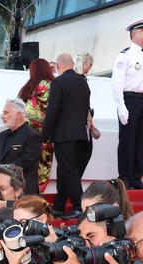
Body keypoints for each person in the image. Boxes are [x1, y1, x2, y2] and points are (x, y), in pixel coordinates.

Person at [112, 19, 143, 190]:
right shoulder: (124, 55)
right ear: (134, 33)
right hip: (130, 100)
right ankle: (124, 177)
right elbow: (117, 84)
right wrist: (121, 106)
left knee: (141, 141)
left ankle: (135, 178)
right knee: (127, 141)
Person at [42, 53, 91, 216]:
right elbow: (86, 109)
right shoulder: (83, 82)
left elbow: (52, 111)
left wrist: (43, 136)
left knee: (68, 171)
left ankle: (79, 206)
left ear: (57, 66)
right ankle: (59, 205)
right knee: (65, 171)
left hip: (64, 135)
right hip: (81, 135)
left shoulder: (58, 82)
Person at [0, 99, 43, 196]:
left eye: (6, 113)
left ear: (19, 115)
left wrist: (1, 174)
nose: (2, 116)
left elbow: (25, 162)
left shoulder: (33, 136)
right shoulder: (0, 136)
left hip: (22, 192)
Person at [18, 58, 55, 194]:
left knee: (29, 167)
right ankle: (37, 197)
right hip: (44, 134)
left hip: (26, 133)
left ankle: (28, 196)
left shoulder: (28, 87)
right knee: (42, 169)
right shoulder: (50, 85)